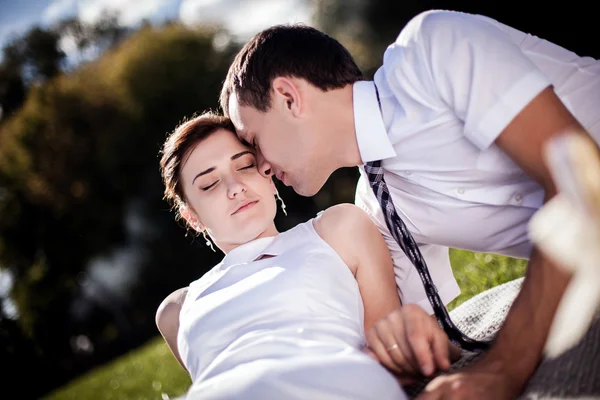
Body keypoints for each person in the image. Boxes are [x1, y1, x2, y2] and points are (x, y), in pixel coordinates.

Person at [218, 9, 600, 399]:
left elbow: (583, 186)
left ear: (287, 97)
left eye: (253, 141)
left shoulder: (433, 49)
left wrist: (503, 367)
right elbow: (419, 341)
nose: (260, 167)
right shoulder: (375, 213)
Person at [155, 112, 461, 399]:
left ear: (266, 173)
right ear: (192, 216)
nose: (235, 187)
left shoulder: (338, 229)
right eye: (209, 184)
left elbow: (392, 351)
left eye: (245, 165)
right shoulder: (176, 310)